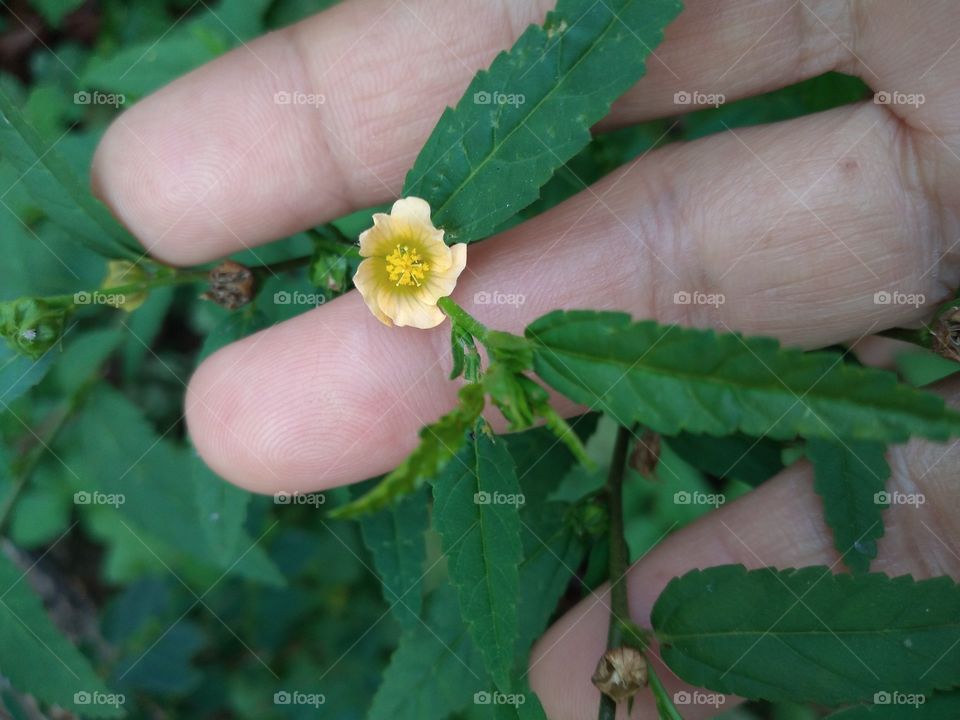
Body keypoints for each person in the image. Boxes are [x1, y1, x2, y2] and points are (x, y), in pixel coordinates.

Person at [90, 1, 960, 717]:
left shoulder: (432, 260)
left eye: (409, 264)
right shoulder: (405, 275)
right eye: (395, 267)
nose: (405, 267)